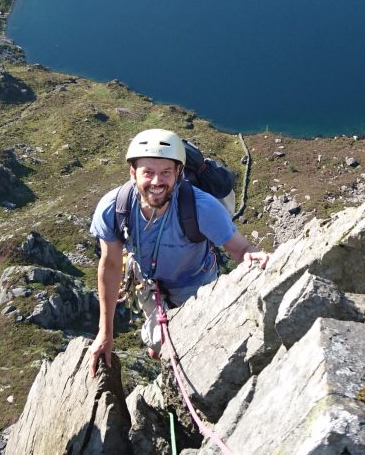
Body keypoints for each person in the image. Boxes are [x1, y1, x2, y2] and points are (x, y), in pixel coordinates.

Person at [88, 128, 269, 376]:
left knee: (186, 353)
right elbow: (110, 266)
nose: (156, 182)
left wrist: (251, 256)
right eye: (148, 173)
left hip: (197, 287)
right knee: (158, 350)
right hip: (149, 284)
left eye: (165, 173)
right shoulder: (114, 208)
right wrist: (105, 333)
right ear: (133, 173)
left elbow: (241, 248)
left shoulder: (201, 207)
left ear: (178, 174)